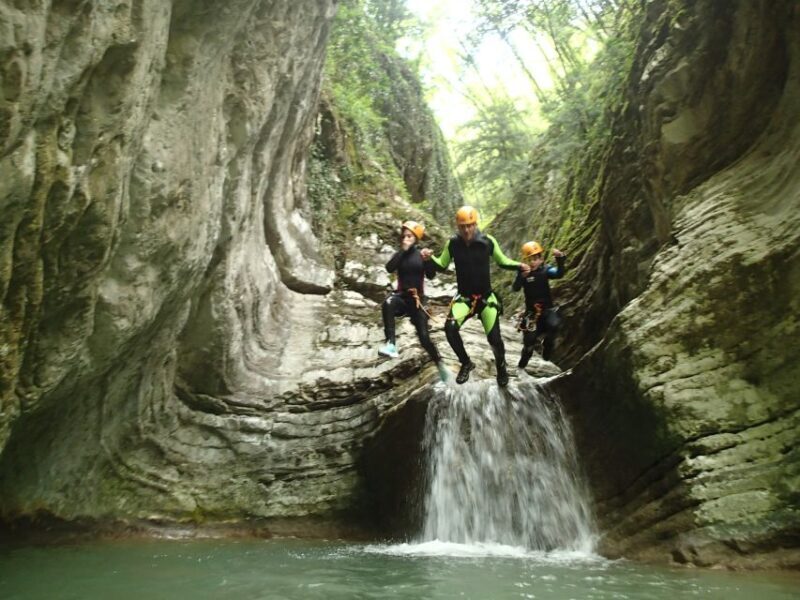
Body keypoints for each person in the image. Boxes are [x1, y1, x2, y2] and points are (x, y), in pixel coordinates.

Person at [421, 206, 527, 387]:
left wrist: (519, 266)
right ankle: (466, 363)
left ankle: (501, 368)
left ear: (475, 224)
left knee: (494, 338)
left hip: (486, 299)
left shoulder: (487, 242)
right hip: (464, 299)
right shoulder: (453, 244)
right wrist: (428, 259)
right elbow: (441, 264)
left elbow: (503, 261)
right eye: (463, 226)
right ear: (458, 226)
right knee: (450, 328)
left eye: (470, 225)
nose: (466, 230)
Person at [378, 220, 450, 382]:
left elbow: (431, 275)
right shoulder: (400, 255)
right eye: (404, 236)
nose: (405, 239)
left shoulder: (421, 255)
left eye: (409, 236)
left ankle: (440, 363)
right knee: (388, 303)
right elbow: (389, 268)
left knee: (424, 337)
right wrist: (402, 251)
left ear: (416, 238)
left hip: (418, 301)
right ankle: (391, 344)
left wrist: (429, 260)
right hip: (402, 298)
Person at [513, 241, 566, 367]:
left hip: (547, 310)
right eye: (530, 259)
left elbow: (559, 273)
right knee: (529, 343)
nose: (533, 262)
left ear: (541, 259)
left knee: (554, 325)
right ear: (526, 260)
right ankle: (522, 366)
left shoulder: (546, 270)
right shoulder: (523, 273)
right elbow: (515, 288)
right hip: (531, 314)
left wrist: (560, 259)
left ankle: (547, 349)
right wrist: (521, 276)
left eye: (536, 258)